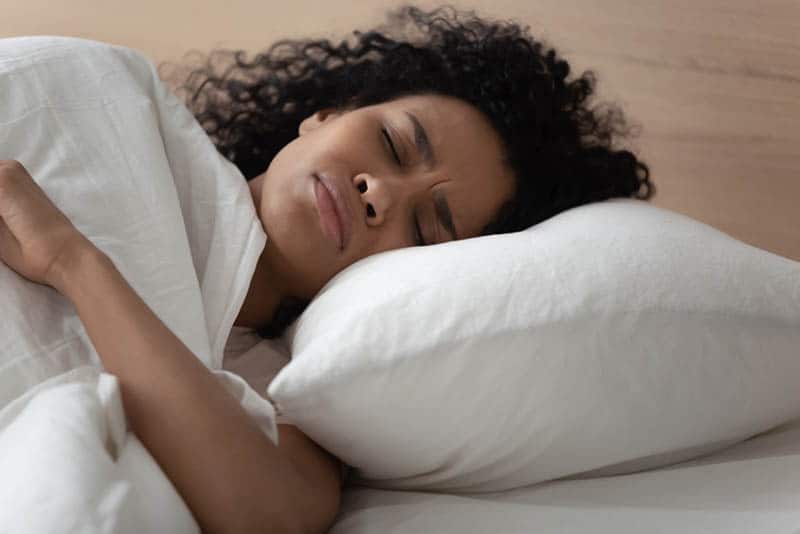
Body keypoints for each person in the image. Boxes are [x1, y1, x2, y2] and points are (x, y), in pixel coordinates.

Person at [0, 4, 653, 533]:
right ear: (327, 113)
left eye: (427, 229)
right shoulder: (106, 98)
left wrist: (75, 261)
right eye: (395, 144)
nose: (383, 193)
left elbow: (268, 517)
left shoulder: (295, 392)